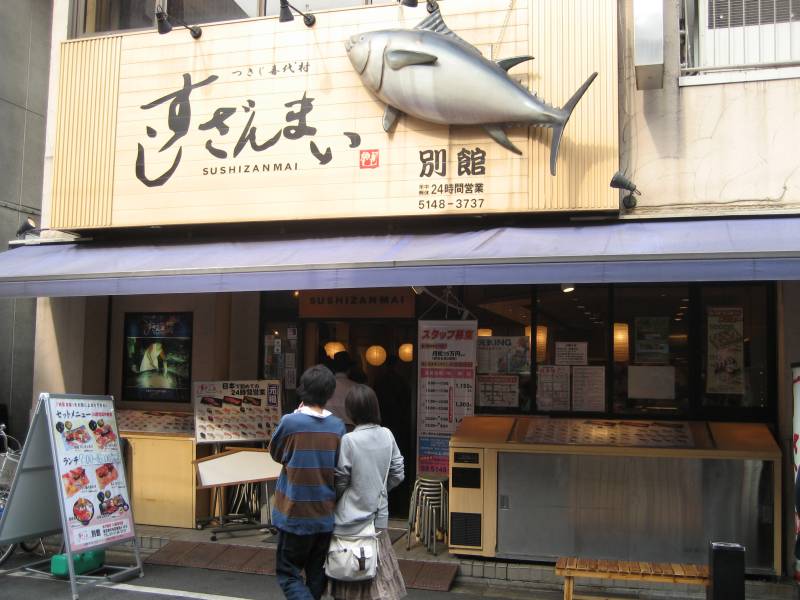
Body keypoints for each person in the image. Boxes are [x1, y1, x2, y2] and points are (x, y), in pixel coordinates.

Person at [269, 365, 346, 600]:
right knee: (316, 574)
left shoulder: (290, 422)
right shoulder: (338, 427)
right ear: (329, 393)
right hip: (324, 513)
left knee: (288, 573)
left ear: (304, 390)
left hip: (294, 512)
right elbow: (338, 466)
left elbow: (275, 452)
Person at [329, 384, 407, 600]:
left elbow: (341, 480)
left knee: (351, 567)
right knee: (377, 571)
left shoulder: (349, 440)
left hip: (349, 517)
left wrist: (334, 500)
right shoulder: (387, 435)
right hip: (377, 518)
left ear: (350, 411)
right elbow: (398, 474)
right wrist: (379, 490)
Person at [327, 351, 357, 427]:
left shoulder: (325, 386)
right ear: (349, 369)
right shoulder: (356, 388)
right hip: (351, 431)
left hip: (328, 429)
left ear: (333, 368)